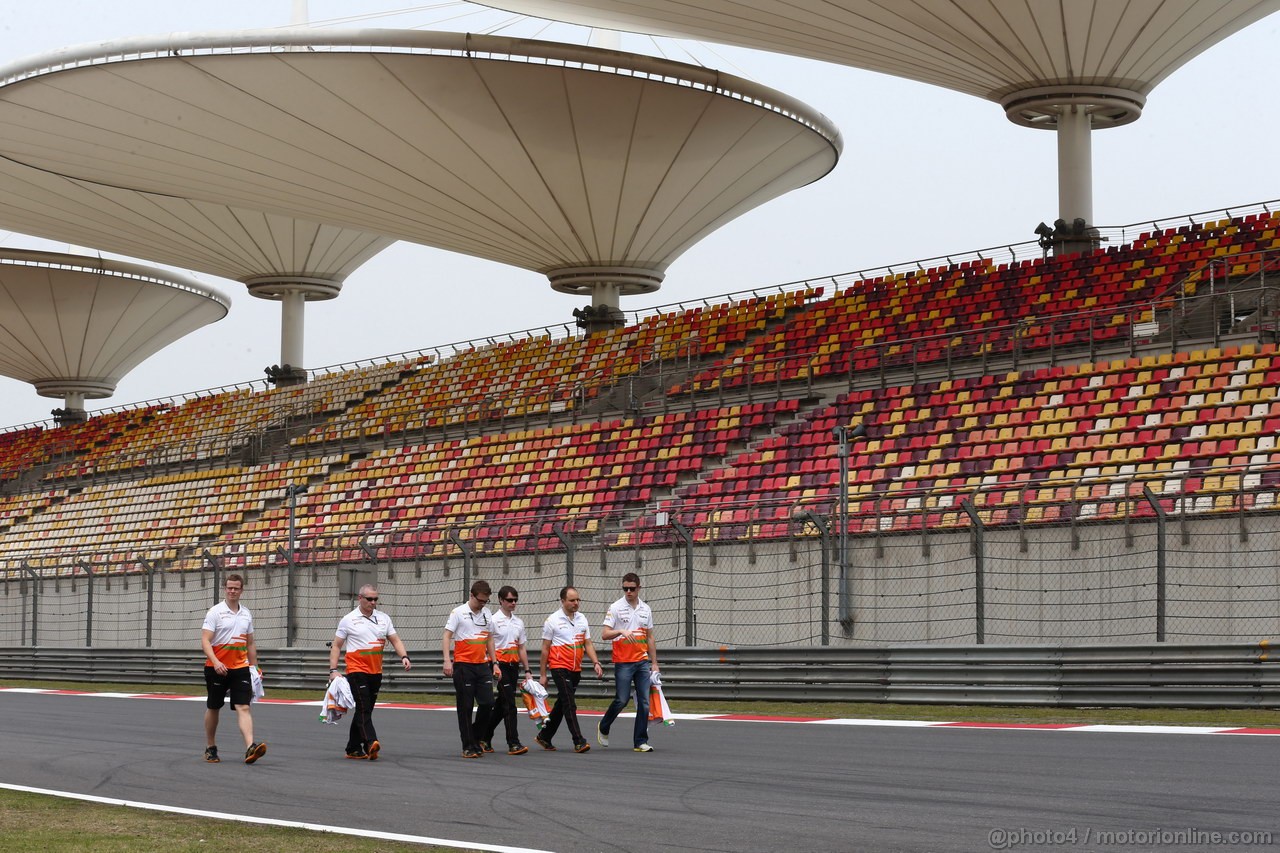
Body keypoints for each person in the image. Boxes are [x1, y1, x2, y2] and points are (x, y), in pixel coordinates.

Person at [328, 584, 411, 760]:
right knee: (364, 706)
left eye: (375, 599)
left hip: (376, 671)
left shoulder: (384, 618)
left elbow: (395, 639)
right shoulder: (348, 619)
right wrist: (333, 670)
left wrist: (404, 656)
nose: (373, 602)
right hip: (356, 670)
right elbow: (336, 645)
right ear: (360, 598)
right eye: (370, 599)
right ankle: (370, 742)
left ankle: (352, 748)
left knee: (365, 710)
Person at [201, 573, 266, 764]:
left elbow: (250, 643)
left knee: (243, 706)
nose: (232, 591)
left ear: (241, 590)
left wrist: (254, 667)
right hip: (216, 667)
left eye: (236, 588)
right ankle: (210, 747)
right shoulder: (215, 612)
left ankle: (250, 747)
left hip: (240, 667)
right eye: (229, 587)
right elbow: (205, 640)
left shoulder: (246, 613)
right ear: (225, 588)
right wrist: (215, 661)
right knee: (214, 706)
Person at [597, 572, 660, 752]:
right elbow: (604, 634)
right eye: (625, 588)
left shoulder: (646, 609)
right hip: (623, 661)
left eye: (632, 588)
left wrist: (654, 662)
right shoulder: (616, 607)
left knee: (644, 702)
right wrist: (620, 631)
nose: (628, 592)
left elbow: (650, 638)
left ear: (639, 588)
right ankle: (604, 725)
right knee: (622, 700)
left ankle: (640, 741)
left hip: (642, 661)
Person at [537, 585, 603, 754]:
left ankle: (545, 735)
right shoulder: (552, 620)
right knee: (569, 704)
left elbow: (587, 643)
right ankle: (578, 740)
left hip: (575, 669)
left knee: (562, 703)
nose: (576, 603)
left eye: (578, 600)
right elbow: (545, 649)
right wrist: (543, 674)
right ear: (563, 601)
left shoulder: (582, 619)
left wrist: (596, 662)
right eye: (572, 600)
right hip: (559, 667)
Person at [443, 580, 502, 758]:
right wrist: (447, 661)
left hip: (482, 665)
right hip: (463, 666)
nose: (482, 604)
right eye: (480, 600)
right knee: (466, 707)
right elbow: (447, 636)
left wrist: (495, 662)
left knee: (488, 703)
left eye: (486, 601)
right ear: (471, 595)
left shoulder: (487, 613)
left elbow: (489, 638)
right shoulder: (458, 612)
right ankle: (468, 745)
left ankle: (475, 738)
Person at [478, 585, 532, 755]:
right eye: (509, 600)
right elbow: (488, 644)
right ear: (501, 600)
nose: (513, 603)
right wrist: (493, 664)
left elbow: (522, 648)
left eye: (515, 600)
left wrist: (527, 670)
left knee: (502, 705)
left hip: (513, 666)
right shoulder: (492, 620)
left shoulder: (519, 622)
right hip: (499, 665)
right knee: (510, 705)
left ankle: (484, 737)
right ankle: (513, 742)